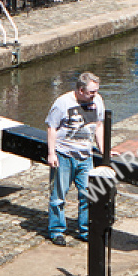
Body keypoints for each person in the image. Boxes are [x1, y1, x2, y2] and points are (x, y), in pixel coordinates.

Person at [45, 72, 106, 247]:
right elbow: (52, 128)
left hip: (85, 156)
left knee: (87, 194)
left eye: (96, 91)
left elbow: (99, 126)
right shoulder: (62, 103)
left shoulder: (98, 101)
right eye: (92, 92)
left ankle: (86, 230)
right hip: (64, 155)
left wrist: (104, 150)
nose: (95, 95)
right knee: (58, 195)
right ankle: (57, 230)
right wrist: (52, 153)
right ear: (81, 90)